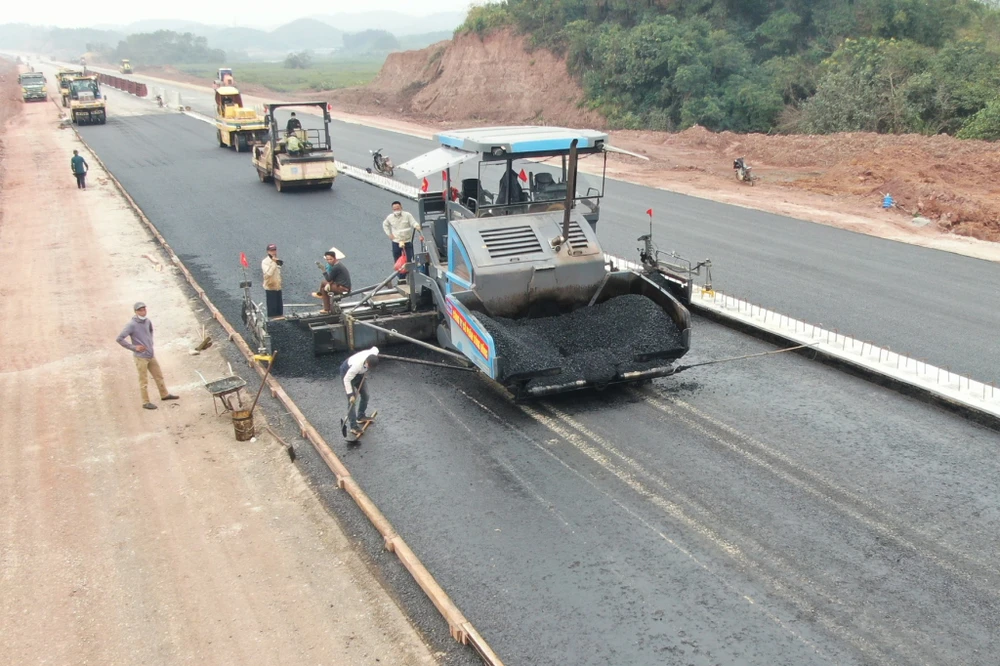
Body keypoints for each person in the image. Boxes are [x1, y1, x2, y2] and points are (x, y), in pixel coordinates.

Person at [115, 302, 179, 410]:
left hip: (150, 354)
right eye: (140, 310)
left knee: (158, 376)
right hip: (141, 357)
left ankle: (164, 394)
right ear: (136, 311)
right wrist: (134, 347)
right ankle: (145, 402)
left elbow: (150, 331)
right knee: (143, 380)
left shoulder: (147, 321)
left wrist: (150, 343)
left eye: (144, 309)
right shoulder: (131, 325)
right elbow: (119, 339)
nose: (143, 311)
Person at [340, 346, 379, 437]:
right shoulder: (357, 365)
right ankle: (353, 426)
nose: (368, 368)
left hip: (360, 374)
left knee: (366, 395)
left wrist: (364, 371)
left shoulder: (374, 353)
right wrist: (350, 395)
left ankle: (361, 416)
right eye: (368, 366)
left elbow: (375, 348)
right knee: (352, 402)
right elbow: (346, 380)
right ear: (366, 361)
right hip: (347, 373)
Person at [382, 201, 422, 280]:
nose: (396, 210)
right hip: (396, 242)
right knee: (398, 260)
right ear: (392, 209)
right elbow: (385, 225)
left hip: (407, 241)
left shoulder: (407, 215)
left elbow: (413, 223)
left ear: (401, 207)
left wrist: (417, 227)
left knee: (408, 259)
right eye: (395, 209)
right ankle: (401, 277)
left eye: (398, 208)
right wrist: (389, 234)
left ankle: (408, 276)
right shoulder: (390, 217)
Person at [314, 248, 351, 314]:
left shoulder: (335, 267)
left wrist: (323, 270)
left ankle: (326, 309)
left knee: (323, 289)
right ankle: (321, 295)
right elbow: (333, 278)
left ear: (335, 258)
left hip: (343, 288)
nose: (329, 261)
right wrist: (329, 284)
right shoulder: (338, 265)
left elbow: (328, 279)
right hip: (342, 285)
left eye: (330, 259)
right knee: (323, 283)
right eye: (327, 259)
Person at [261, 243, 283, 318]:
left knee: (279, 310)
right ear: (268, 252)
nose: (273, 252)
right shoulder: (265, 262)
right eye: (271, 250)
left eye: (274, 250)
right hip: (270, 288)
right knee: (272, 310)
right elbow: (269, 273)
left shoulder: (277, 260)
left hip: (278, 287)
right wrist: (274, 263)